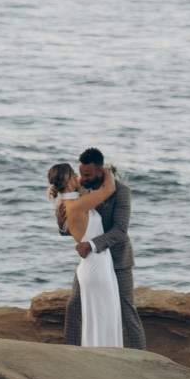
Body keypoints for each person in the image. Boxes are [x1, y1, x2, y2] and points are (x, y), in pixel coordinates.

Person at [54, 147, 146, 349]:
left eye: (87, 174)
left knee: (127, 310)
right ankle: (70, 352)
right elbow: (79, 226)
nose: (82, 178)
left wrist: (92, 244)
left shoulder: (121, 192)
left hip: (118, 259)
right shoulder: (80, 189)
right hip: (93, 262)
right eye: (80, 173)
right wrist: (62, 225)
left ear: (99, 171)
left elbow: (120, 230)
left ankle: (143, 357)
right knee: (74, 306)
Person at [46, 162, 123, 346]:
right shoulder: (78, 204)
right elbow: (110, 188)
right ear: (69, 179)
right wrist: (104, 169)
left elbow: (78, 183)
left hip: (94, 265)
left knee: (97, 320)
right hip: (97, 266)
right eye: (74, 173)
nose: (78, 176)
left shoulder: (65, 202)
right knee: (105, 319)